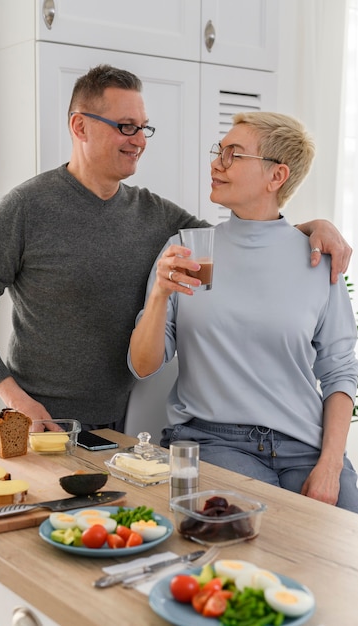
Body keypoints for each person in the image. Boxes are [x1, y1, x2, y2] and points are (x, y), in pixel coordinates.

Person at [0, 66, 352, 435]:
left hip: (118, 429)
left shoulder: (158, 216)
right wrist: (17, 400)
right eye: (125, 126)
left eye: (143, 128)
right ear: (80, 126)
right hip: (39, 423)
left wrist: (309, 229)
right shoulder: (25, 208)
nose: (139, 140)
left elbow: (242, 240)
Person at [128, 111, 358, 512]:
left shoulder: (320, 259)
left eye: (234, 154)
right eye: (219, 151)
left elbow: (339, 371)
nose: (217, 163)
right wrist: (159, 296)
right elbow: (143, 366)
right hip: (210, 439)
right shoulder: (186, 249)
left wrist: (330, 464)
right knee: (260, 536)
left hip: (304, 445)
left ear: (276, 176)